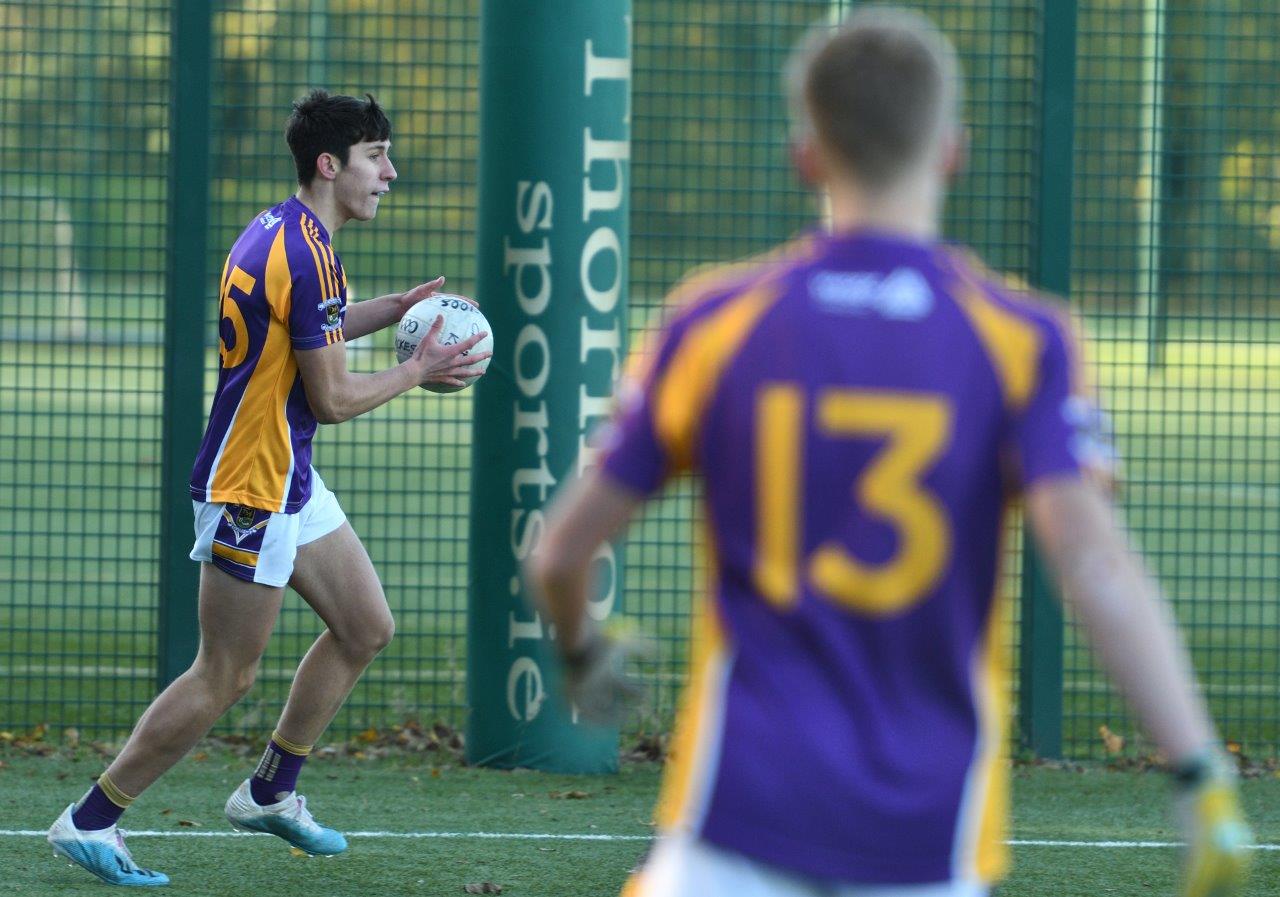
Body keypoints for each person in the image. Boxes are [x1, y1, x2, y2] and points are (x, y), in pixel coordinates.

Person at [526, 8, 1252, 897]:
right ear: (953, 148)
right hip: (926, 839)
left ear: (806, 154)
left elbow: (560, 551)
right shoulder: (1024, 339)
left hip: (737, 823)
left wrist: (580, 648)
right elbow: (1094, 564)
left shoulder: (714, 321)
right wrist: (1196, 767)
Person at [47, 90, 489, 887]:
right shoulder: (308, 248)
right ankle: (92, 817)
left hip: (287, 470)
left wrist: (395, 310)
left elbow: (313, 323)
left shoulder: (286, 228)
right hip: (252, 482)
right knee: (224, 673)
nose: (390, 172)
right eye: (375, 156)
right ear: (331, 164)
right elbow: (334, 399)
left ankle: (270, 790)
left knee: (365, 624)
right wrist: (417, 367)